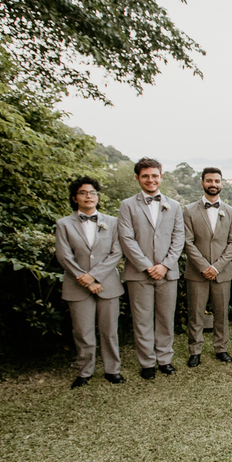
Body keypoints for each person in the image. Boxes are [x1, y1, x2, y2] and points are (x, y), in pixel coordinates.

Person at [118, 157, 185, 380]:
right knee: (142, 319)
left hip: (168, 272)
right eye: (145, 176)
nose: (150, 180)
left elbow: (178, 238)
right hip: (139, 273)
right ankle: (147, 361)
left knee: (166, 318)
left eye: (154, 175)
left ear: (161, 177)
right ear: (137, 178)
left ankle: (164, 359)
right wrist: (148, 266)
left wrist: (165, 265)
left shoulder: (173, 205)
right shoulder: (127, 205)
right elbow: (126, 239)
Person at [55, 176, 124, 388]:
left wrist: (95, 276)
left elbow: (116, 252)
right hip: (77, 285)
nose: (88, 196)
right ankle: (85, 371)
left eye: (92, 192)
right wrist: (85, 280)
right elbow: (64, 256)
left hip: (107, 284)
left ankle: (113, 370)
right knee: (83, 331)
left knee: (109, 330)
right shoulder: (64, 224)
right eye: (83, 193)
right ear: (74, 198)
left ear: (98, 196)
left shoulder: (112, 222)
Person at [182, 167, 232, 367]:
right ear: (202, 183)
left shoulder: (231, 212)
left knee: (221, 313)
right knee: (195, 314)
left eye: (216, 181)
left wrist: (216, 267)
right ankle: (195, 350)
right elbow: (187, 242)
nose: (213, 184)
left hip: (222, 273)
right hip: (196, 273)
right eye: (209, 181)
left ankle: (221, 348)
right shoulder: (189, 210)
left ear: (221, 183)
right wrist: (204, 266)